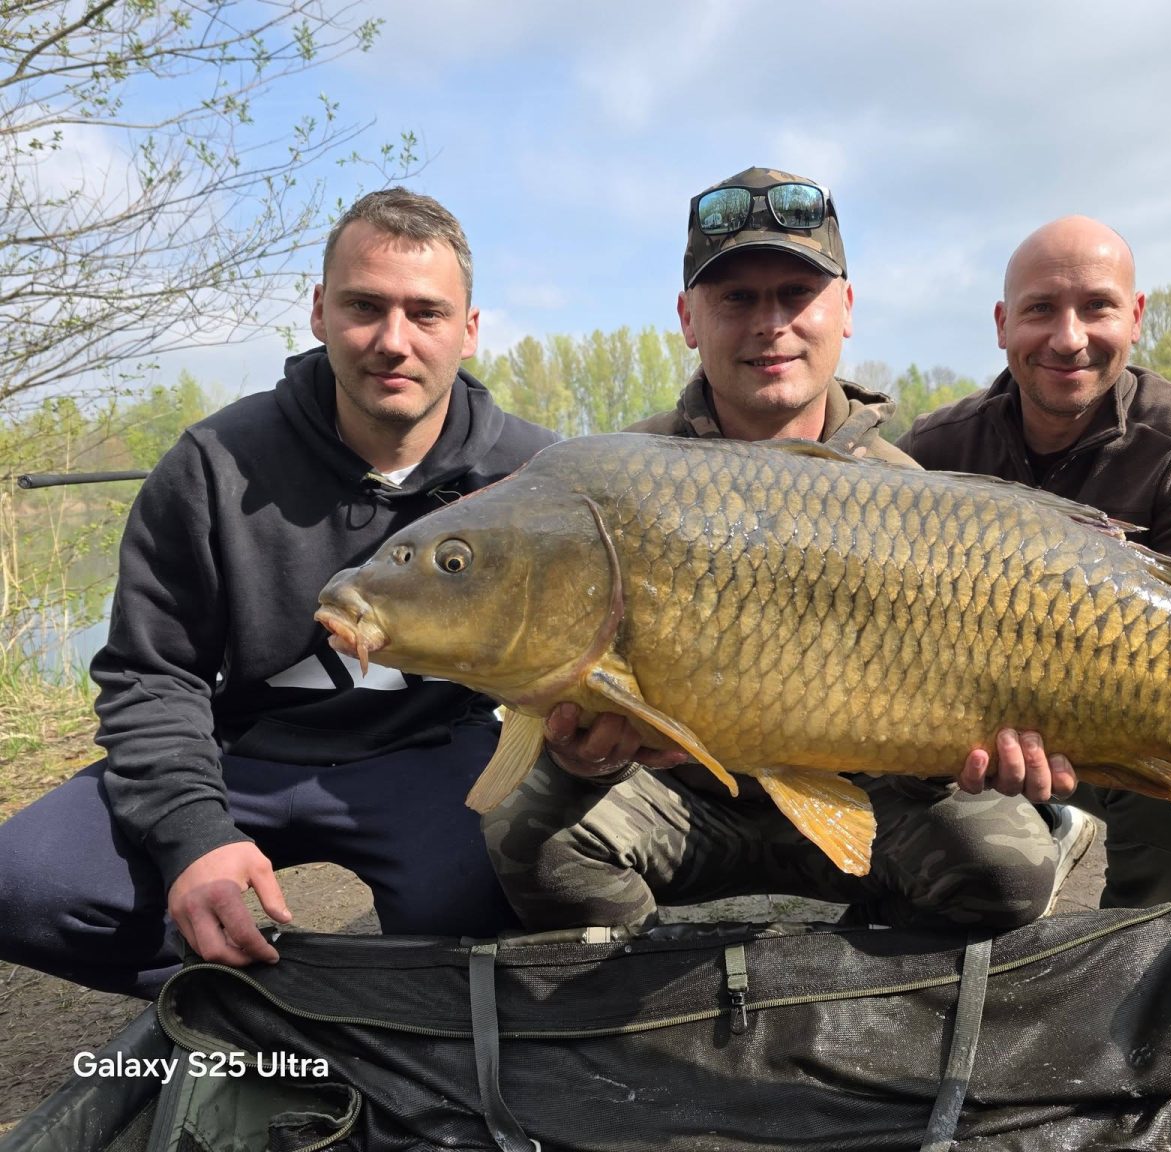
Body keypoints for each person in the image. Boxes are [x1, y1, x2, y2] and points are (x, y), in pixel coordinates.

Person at [482, 167, 1093, 933]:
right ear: (688, 319)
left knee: (1008, 872)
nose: (770, 324)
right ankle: (649, 986)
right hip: (682, 803)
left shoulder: (907, 493)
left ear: (846, 310)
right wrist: (583, 756)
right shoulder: (618, 479)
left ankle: (856, 976)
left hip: (863, 795)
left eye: (796, 295)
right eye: (737, 298)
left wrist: (966, 761)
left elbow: (946, 728)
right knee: (523, 838)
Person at [0, 189, 558, 998]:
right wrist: (193, 837)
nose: (393, 341)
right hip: (241, 753)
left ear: (467, 330)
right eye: (364, 307)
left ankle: (368, 1000)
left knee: (513, 898)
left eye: (425, 313)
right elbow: (152, 676)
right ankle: (269, 1001)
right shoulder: (214, 461)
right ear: (319, 311)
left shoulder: (536, 477)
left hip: (431, 752)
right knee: (24, 885)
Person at [898, 215, 1171, 909]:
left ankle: (1136, 949)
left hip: (1115, 719)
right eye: (1040, 309)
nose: (1068, 338)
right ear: (1003, 324)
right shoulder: (932, 449)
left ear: (1135, 318)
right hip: (959, 728)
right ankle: (1035, 831)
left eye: (1097, 306)